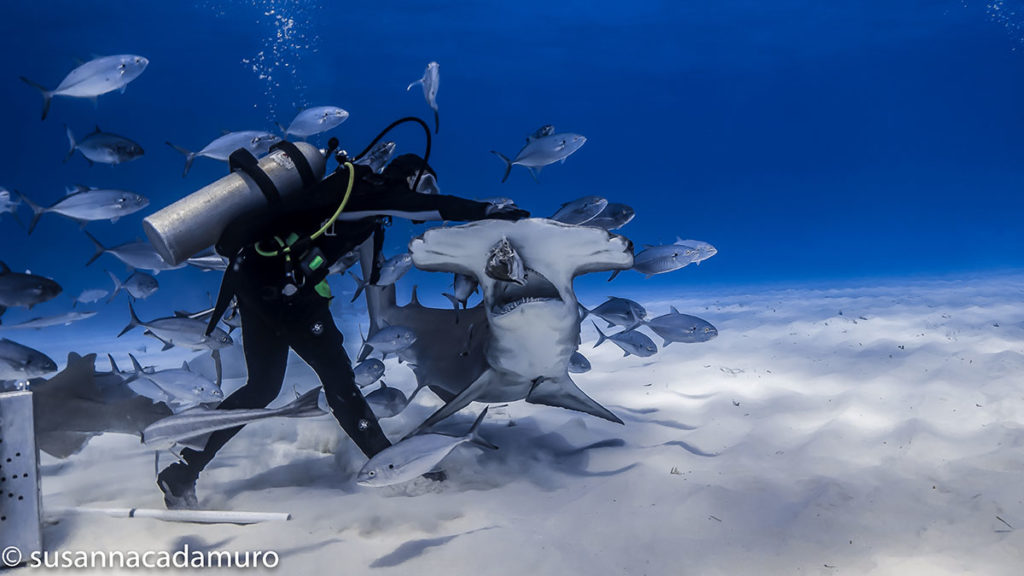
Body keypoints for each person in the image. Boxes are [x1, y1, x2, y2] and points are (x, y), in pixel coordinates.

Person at [157, 148, 528, 509]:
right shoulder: (363, 192)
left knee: (261, 388)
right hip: (283, 294)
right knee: (341, 386)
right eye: (426, 183)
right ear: (408, 179)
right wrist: (488, 212)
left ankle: (184, 470)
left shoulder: (368, 215)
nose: (426, 193)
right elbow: (426, 207)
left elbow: (375, 276)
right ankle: (395, 470)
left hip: (259, 284)